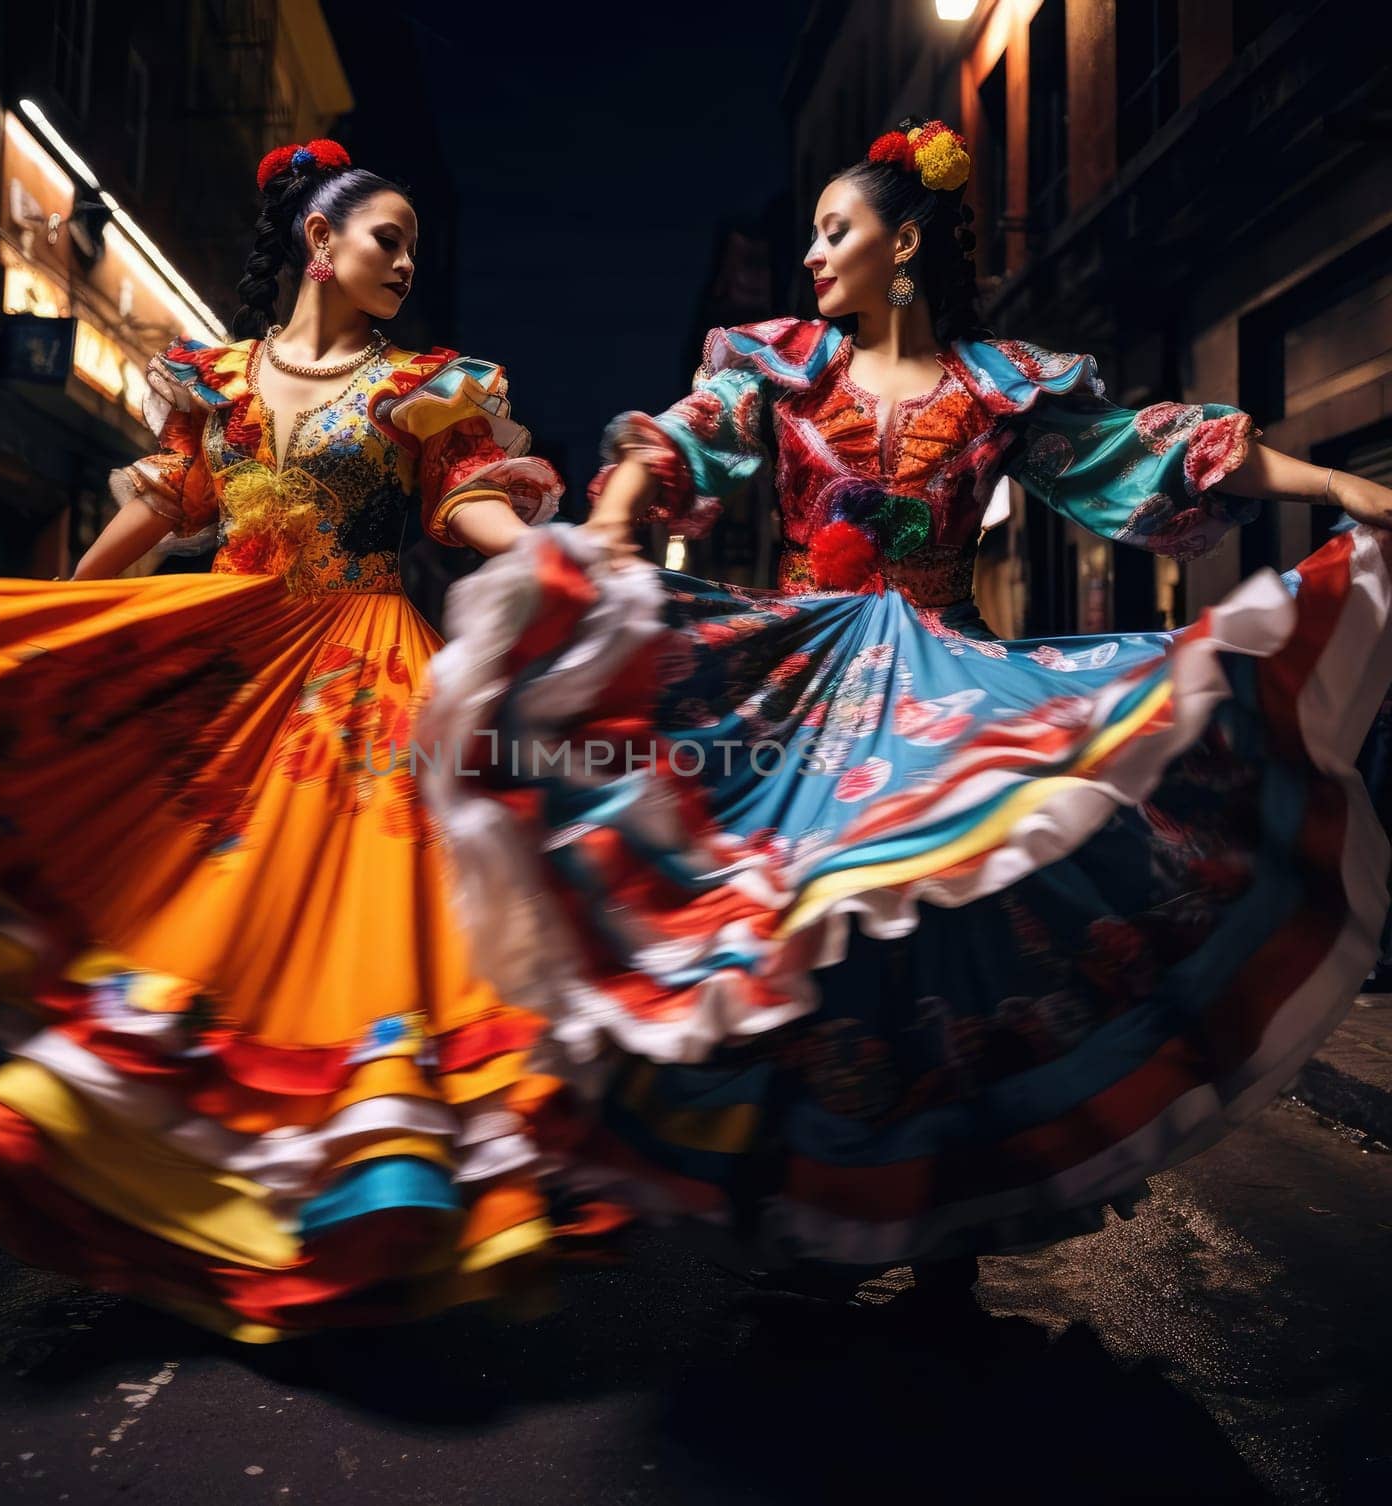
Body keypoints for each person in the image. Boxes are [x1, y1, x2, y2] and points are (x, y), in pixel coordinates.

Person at [419, 118, 1392, 1306]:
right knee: (794, 945)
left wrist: (1339, 481)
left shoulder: (998, 391)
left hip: (946, 682)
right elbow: (682, 440)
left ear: (907, 244)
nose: (815, 255)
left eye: (838, 231)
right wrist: (621, 507)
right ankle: (798, 1223)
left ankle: (944, 1246)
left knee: (949, 952)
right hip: (801, 692)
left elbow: (1151, 453)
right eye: (815, 233)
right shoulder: (779, 371)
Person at [0, 138, 618, 1341]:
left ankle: (364, 1197)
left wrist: (557, 551)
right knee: (209, 918)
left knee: (351, 927)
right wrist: (54, 630)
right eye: (387, 238)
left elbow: (470, 505)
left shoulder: (425, 385)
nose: (403, 261)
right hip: (225, 668)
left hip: (364, 675)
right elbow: (153, 515)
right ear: (317, 242)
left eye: (414, 248)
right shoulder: (215, 381)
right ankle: (224, 1196)